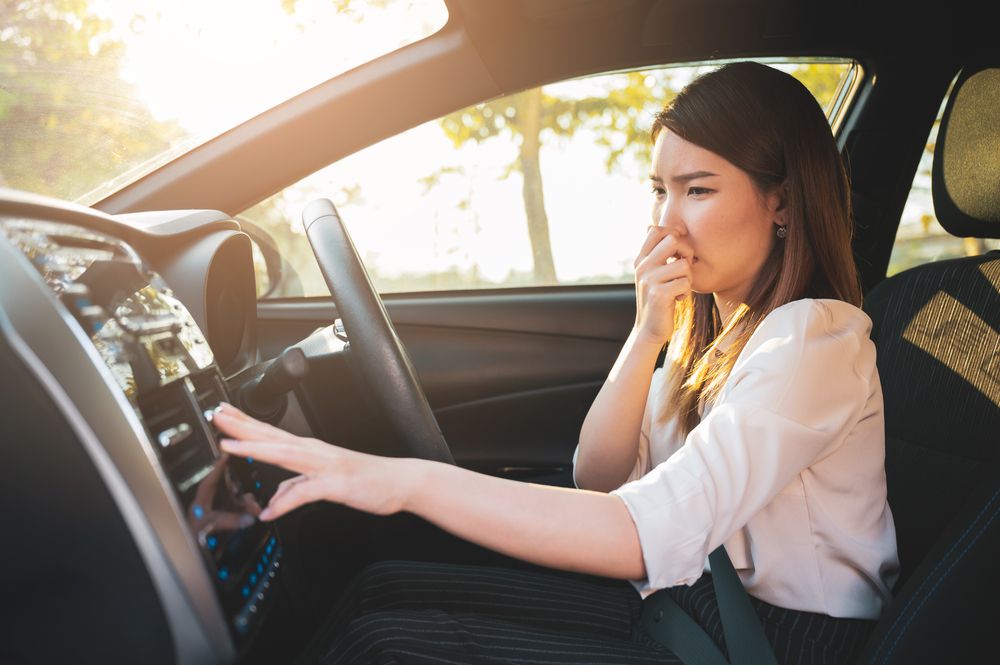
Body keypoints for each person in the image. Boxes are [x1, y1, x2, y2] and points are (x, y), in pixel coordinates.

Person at [214, 61, 899, 664]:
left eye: (698, 190)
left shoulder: (812, 336)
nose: (667, 224)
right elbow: (598, 478)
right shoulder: (723, 335)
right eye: (659, 190)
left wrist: (402, 482)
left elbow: (639, 532)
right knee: (381, 587)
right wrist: (647, 334)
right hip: (689, 607)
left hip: (771, 642)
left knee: (384, 644)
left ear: (780, 202)